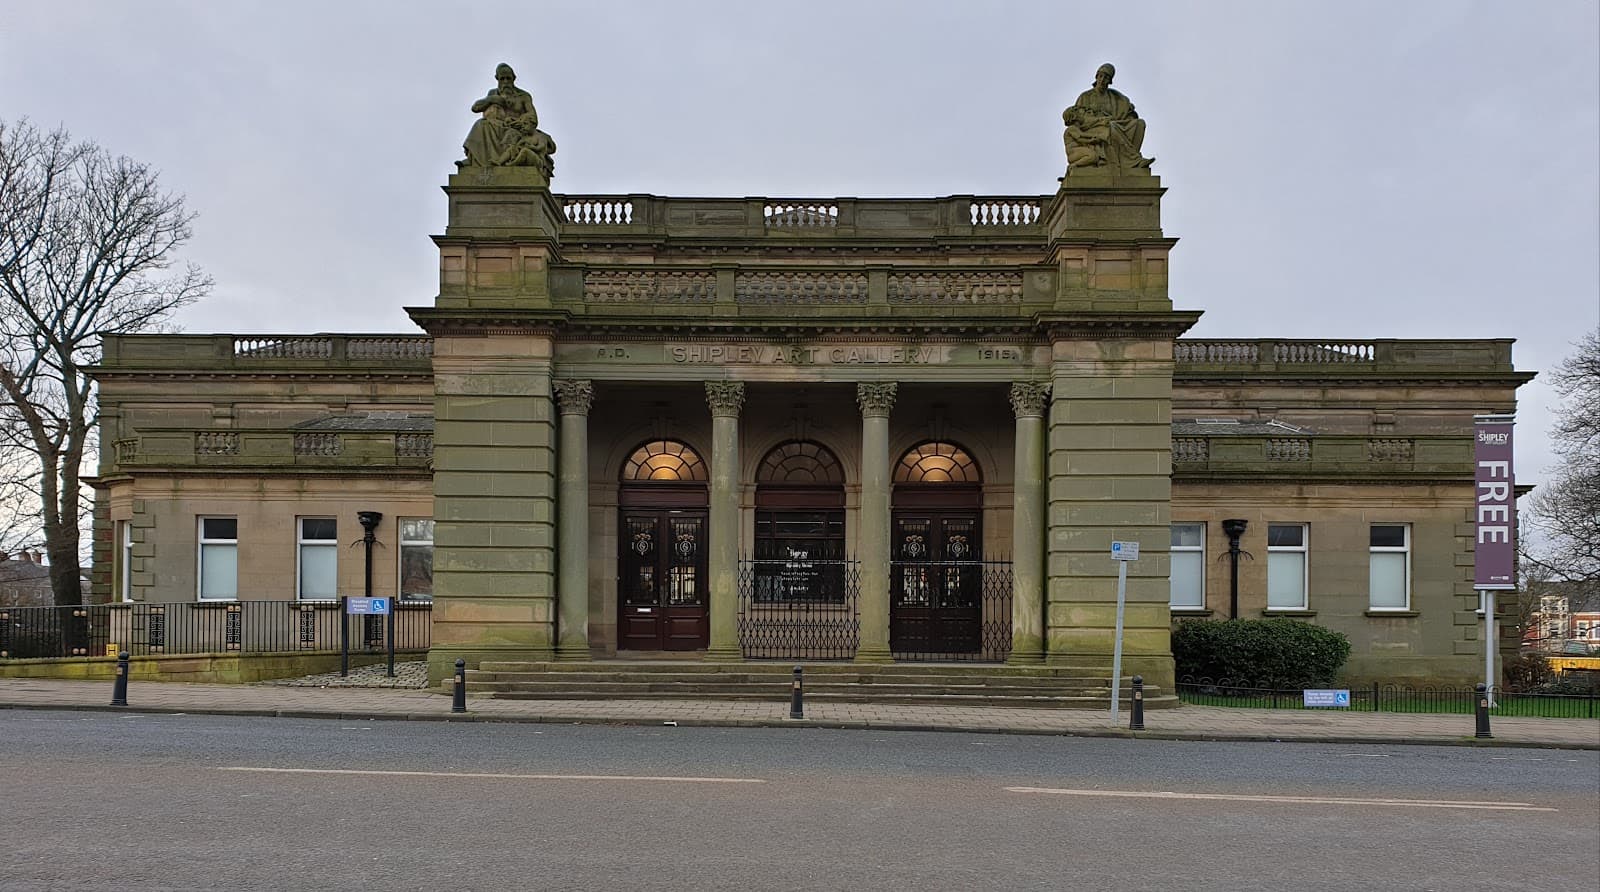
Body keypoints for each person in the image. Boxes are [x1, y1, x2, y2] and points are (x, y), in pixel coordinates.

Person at [460, 62, 555, 174]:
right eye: (502, 79)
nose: (505, 82)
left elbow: (532, 116)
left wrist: (519, 121)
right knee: (480, 125)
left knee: (510, 134)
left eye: (508, 79)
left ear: (513, 78)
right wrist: (491, 99)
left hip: (515, 128)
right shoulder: (493, 93)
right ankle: (474, 158)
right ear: (497, 79)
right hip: (495, 125)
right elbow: (475, 108)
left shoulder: (523, 96)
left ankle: (500, 161)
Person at [1063, 63, 1153, 171]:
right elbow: (1077, 120)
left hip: (1113, 123)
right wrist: (1100, 120)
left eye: (1106, 78)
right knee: (1112, 127)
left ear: (1110, 81)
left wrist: (1129, 115)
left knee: (1139, 124)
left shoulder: (1116, 97)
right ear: (1096, 77)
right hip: (1092, 129)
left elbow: (1126, 111)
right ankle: (1134, 160)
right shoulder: (1085, 97)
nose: (1102, 80)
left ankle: (1131, 161)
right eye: (1100, 76)